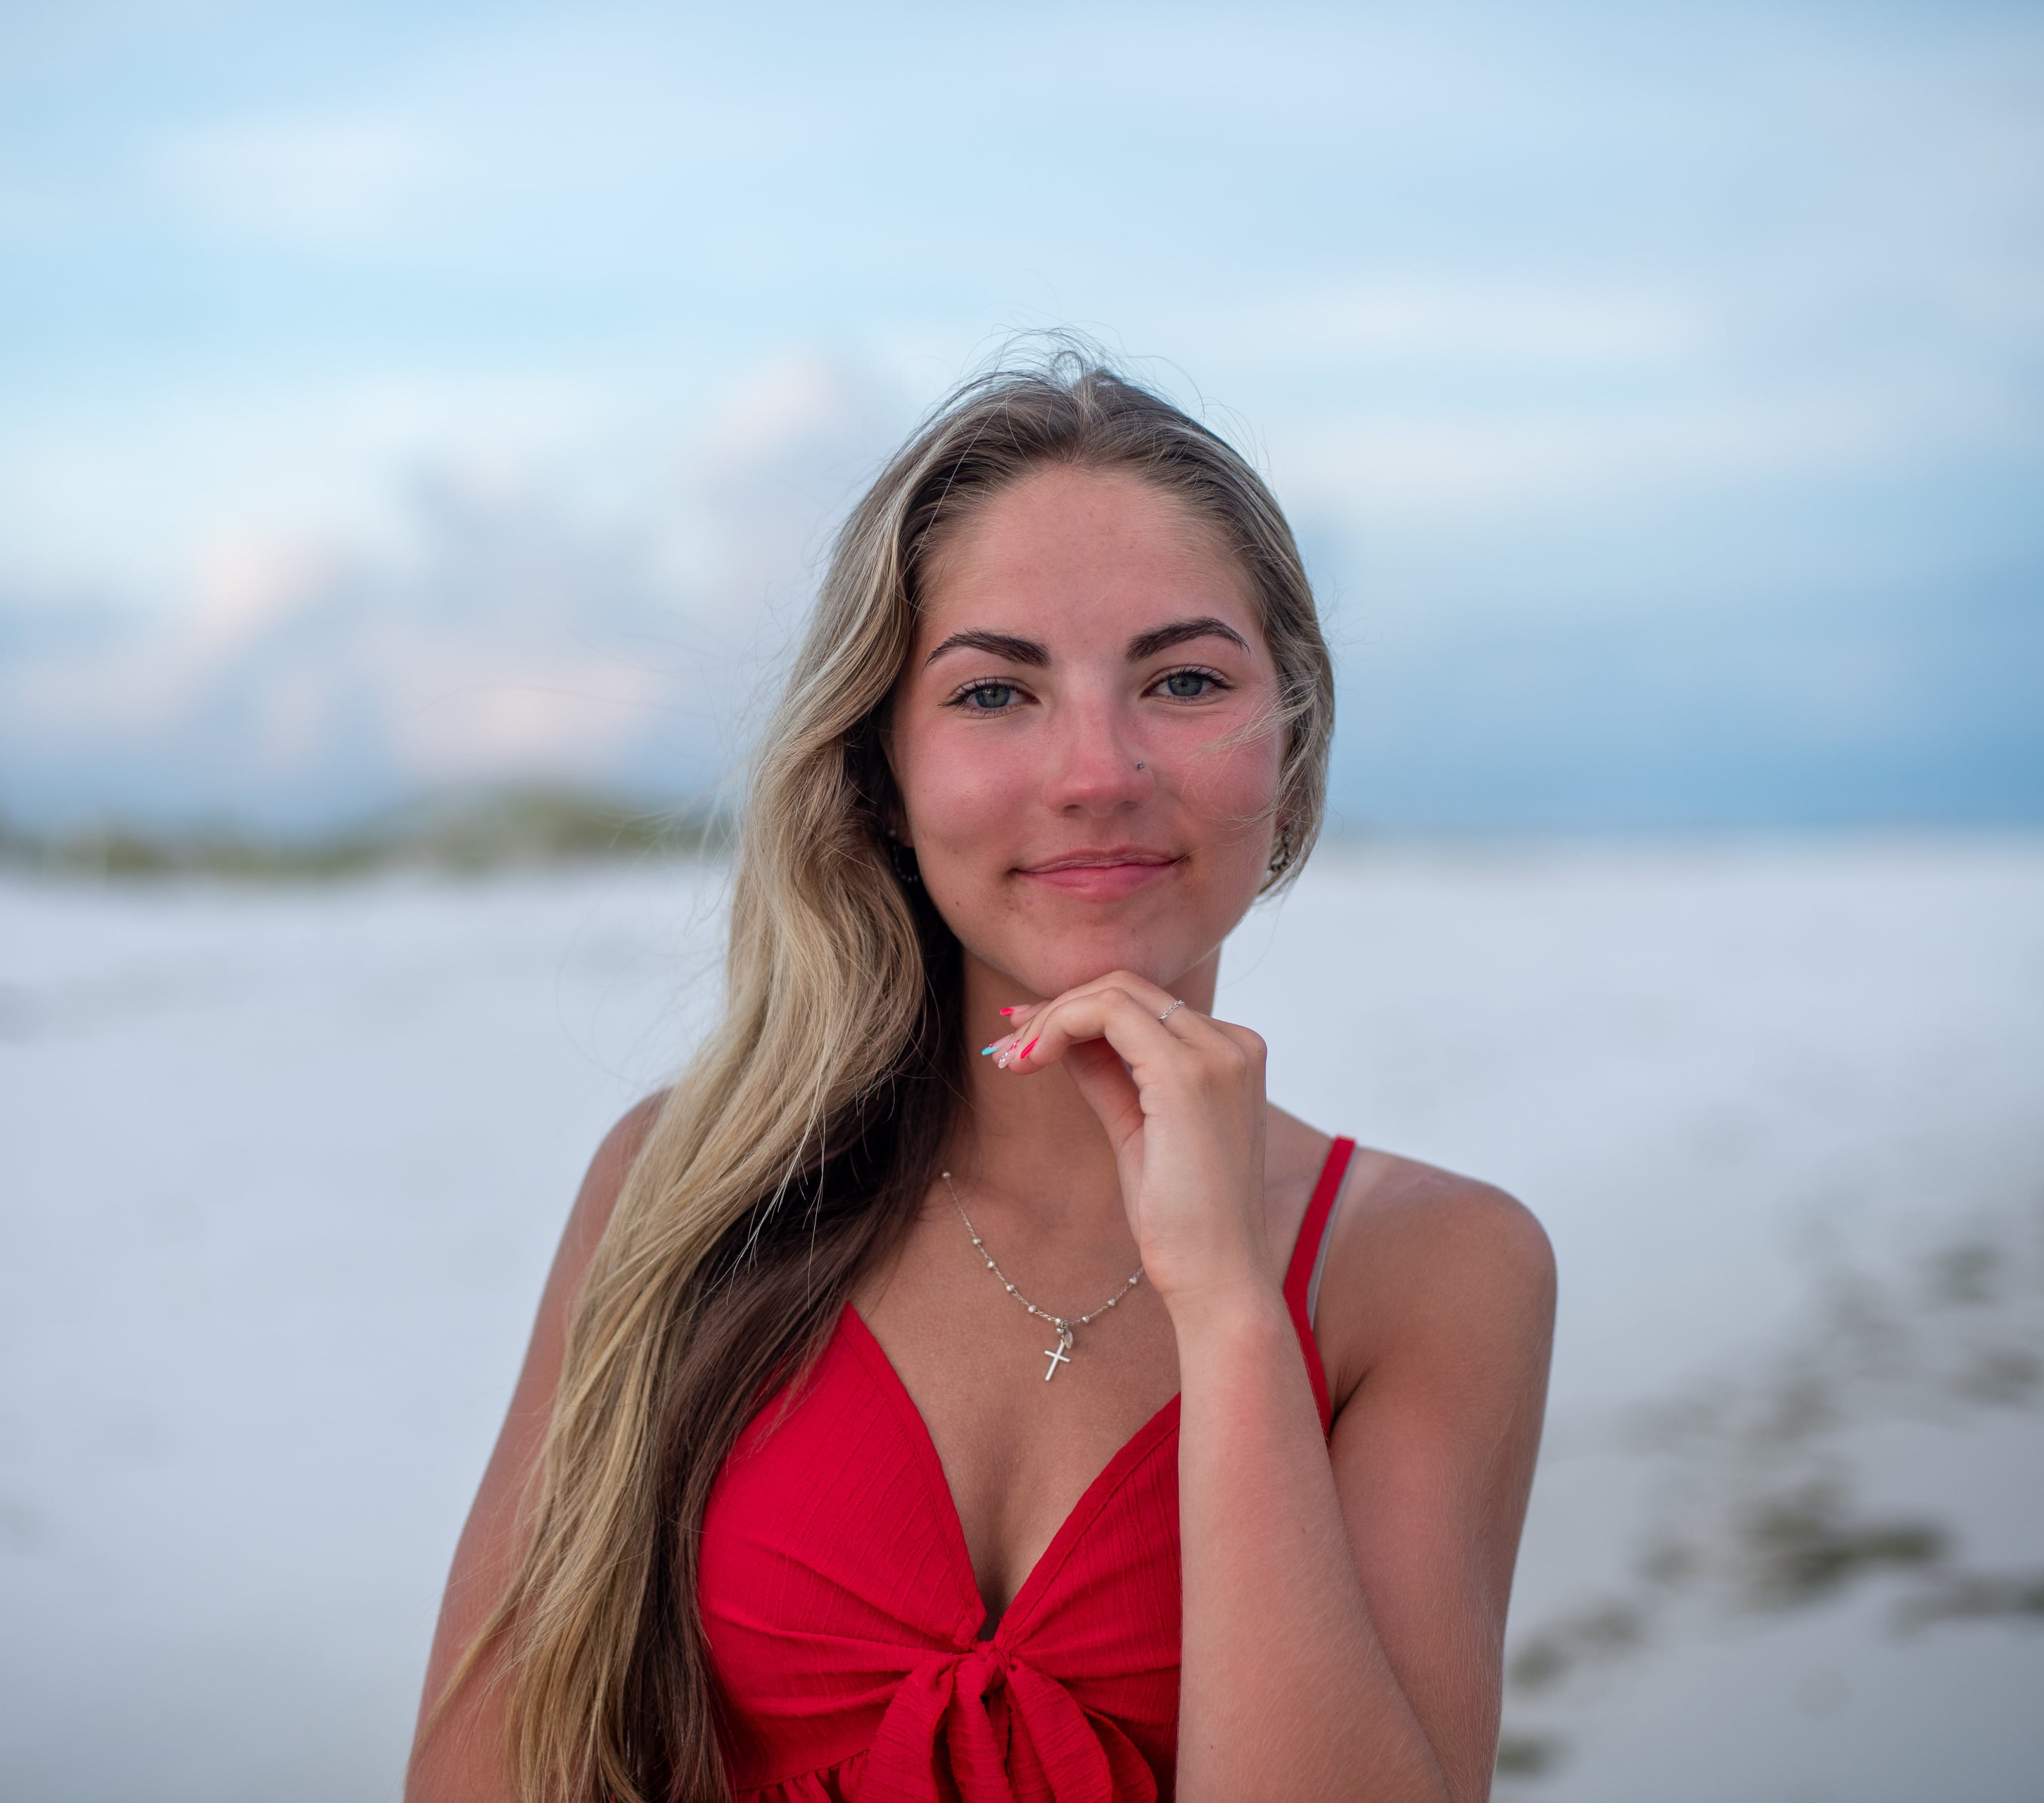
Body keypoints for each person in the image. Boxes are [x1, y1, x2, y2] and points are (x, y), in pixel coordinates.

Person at [407, 350, 1555, 1803]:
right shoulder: (684, 1189)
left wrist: (1228, 1310)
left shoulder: (1437, 1270)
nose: (1096, 770)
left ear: (1292, 738)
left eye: (1186, 679)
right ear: (882, 768)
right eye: (997, 692)